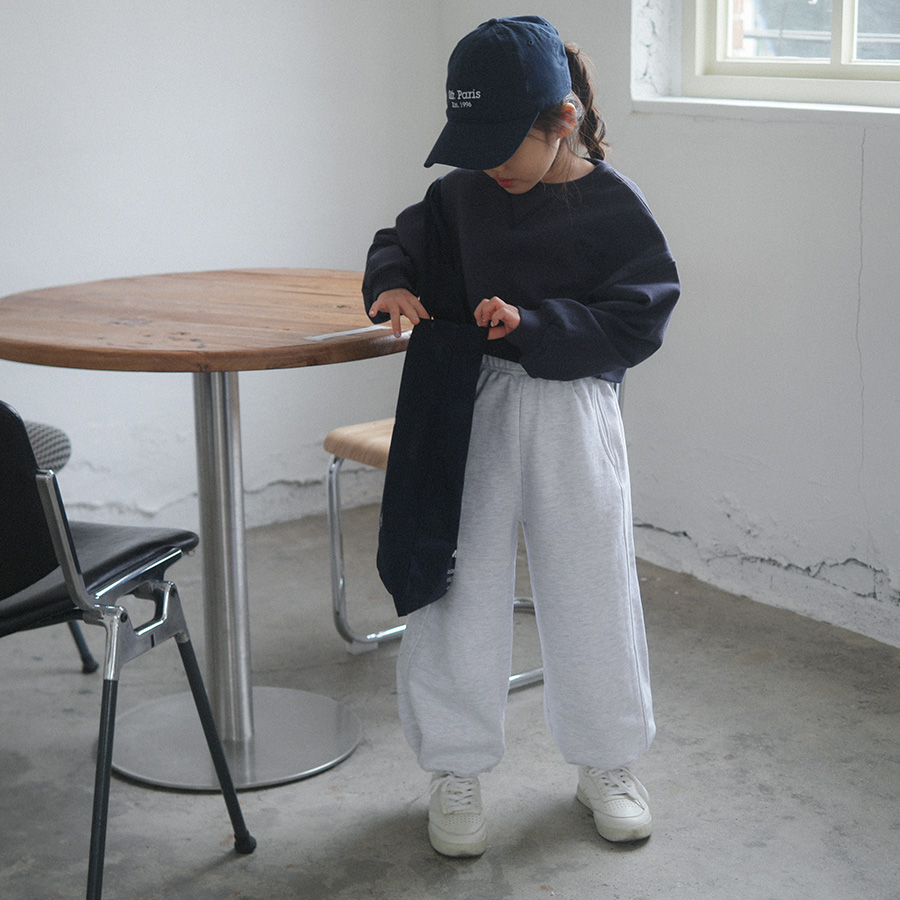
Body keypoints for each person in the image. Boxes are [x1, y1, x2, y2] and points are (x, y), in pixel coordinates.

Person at [362, 16, 679, 858]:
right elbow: (399, 240)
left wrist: (536, 324)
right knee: (456, 585)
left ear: (563, 120)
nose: (488, 166)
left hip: (572, 408)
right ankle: (454, 766)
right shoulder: (462, 192)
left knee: (591, 584)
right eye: (472, 148)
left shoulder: (614, 206)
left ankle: (608, 763)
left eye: (503, 146)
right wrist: (391, 283)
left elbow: (639, 318)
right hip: (467, 401)